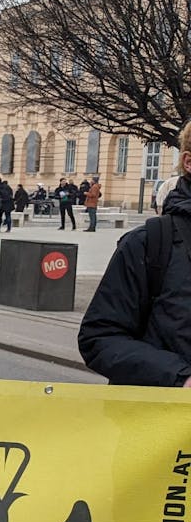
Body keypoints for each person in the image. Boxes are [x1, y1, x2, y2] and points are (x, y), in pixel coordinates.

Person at [79, 119, 191, 391]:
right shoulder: (150, 242)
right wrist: (181, 378)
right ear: (189, 162)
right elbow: (100, 337)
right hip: (165, 423)